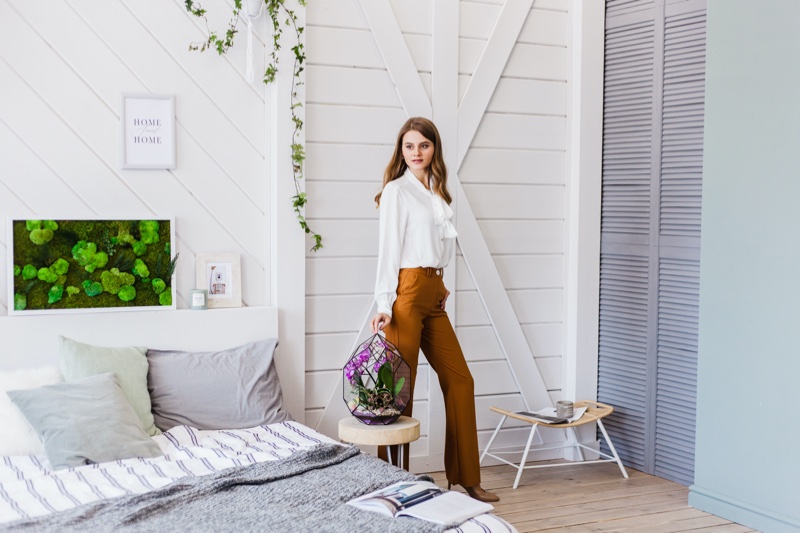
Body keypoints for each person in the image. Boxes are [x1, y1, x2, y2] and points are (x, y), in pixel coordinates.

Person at [370, 117, 499, 504]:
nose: (416, 153)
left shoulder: (438, 191)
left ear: (434, 149)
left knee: (461, 380)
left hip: (432, 292)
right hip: (405, 293)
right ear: (401, 150)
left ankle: (465, 478)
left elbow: (441, 247)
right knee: (397, 391)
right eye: (409, 146)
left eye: (423, 146)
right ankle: (392, 482)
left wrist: (441, 286)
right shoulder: (396, 192)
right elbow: (389, 250)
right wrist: (384, 303)